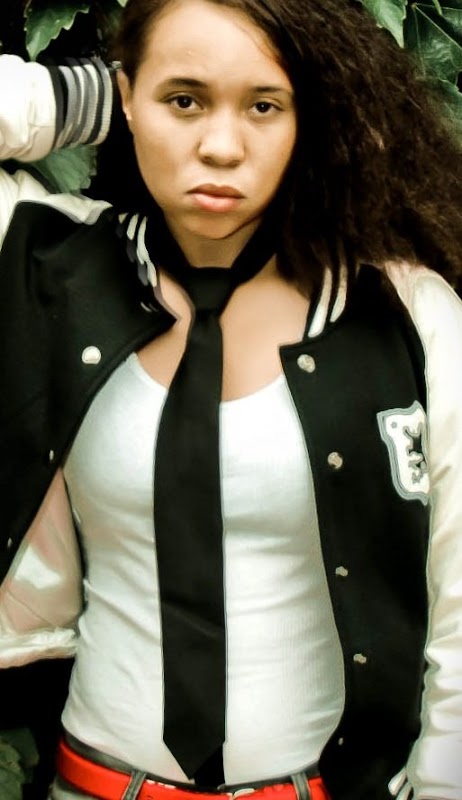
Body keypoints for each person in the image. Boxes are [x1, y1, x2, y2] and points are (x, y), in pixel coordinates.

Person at [1, 0, 462, 798]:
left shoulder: (409, 315)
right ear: (128, 100)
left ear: (312, 117)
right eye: (184, 100)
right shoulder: (44, 267)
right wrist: (85, 98)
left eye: (264, 105)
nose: (221, 146)